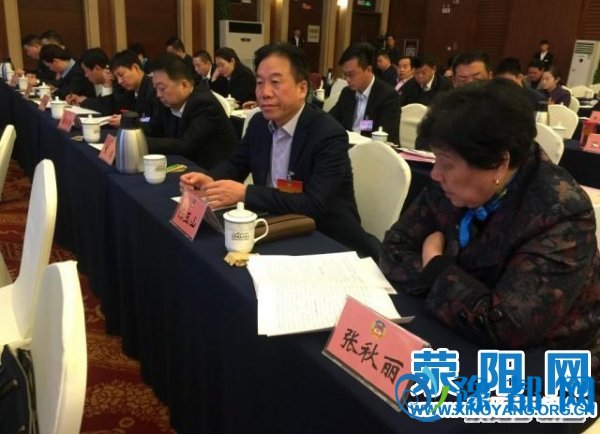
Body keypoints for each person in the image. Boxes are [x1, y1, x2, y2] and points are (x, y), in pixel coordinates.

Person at [380, 79, 600, 372]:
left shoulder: (560, 212)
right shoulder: (452, 183)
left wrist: (435, 265)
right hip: (456, 333)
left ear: (498, 163)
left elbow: (506, 327)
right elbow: (394, 248)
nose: (435, 174)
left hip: (546, 366)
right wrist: (467, 295)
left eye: (446, 163)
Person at [180, 43, 380, 259]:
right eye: (259, 83)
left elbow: (315, 205)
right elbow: (235, 164)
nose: (264, 93)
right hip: (273, 227)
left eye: (275, 82)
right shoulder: (259, 123)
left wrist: (246, 193)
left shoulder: (328, 134)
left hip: (325, 239)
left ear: (302, 89)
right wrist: (210, 180)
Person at [147, 54, 237, 169]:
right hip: (184, 164)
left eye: (162, 88)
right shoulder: (166, 101)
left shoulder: (204, 103)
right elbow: (153, 128)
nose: (158, 94)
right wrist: (132, 134)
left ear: (184, 85)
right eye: (156, 89)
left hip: (212, 170)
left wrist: (142, 143)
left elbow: (185, 146)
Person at [328, 42, 400, 144]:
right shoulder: (347, 93)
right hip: (346, 146)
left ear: (368, 70)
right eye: (345, 75)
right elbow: (330, 120)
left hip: (373, 150)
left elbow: (386, 136)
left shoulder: (387, 96)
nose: (347, 80)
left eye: (351, 74)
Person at [107, 49, 160, 126]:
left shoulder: (154, 89)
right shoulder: (130, 92)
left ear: (135, 67)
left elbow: (151, 120)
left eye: (121, 75)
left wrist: (128, 121)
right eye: (116, 77)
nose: (119, 81)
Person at [65, 48, 118, 114]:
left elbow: (106, 109)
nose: (86, 75)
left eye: (86, 71)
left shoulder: (118, 81)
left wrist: (107, 86)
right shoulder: (104, 80)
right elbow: (99, 103)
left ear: (97, 68)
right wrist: (81, 99)